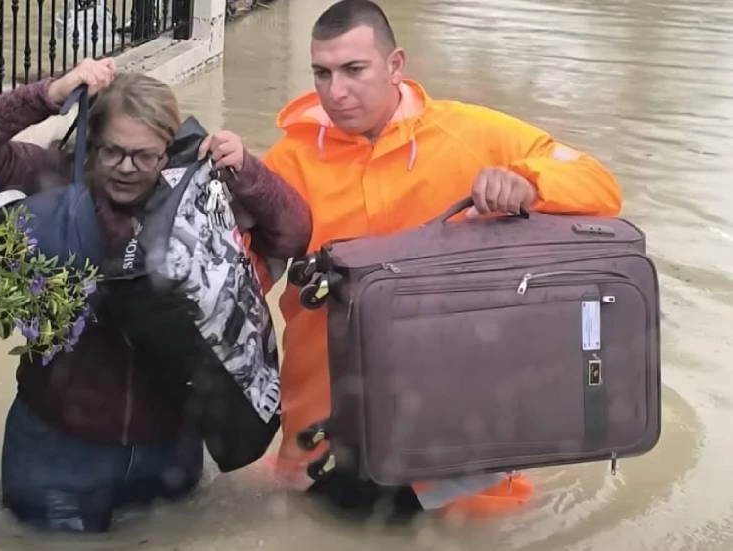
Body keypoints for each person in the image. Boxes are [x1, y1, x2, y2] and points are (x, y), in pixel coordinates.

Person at [257, 0, 622, 515]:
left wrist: (529, 182)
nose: (335, 91)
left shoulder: (473, 134)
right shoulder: (286, 163)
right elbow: (239, 279)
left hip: (457, 445)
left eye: (354, 70)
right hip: (326, 440)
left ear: (395, 65)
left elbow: (600, 185)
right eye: (322, 73)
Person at [0, 58, 312, 533]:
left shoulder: (199, 197)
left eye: (145, 156)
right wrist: (47, 96)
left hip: (170, 454)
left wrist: (247, 172)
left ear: (169, 150)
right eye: (113, 152)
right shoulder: (50, 177)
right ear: (91, 144)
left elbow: (295, 235)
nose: (127, 168)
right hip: (59, 457)